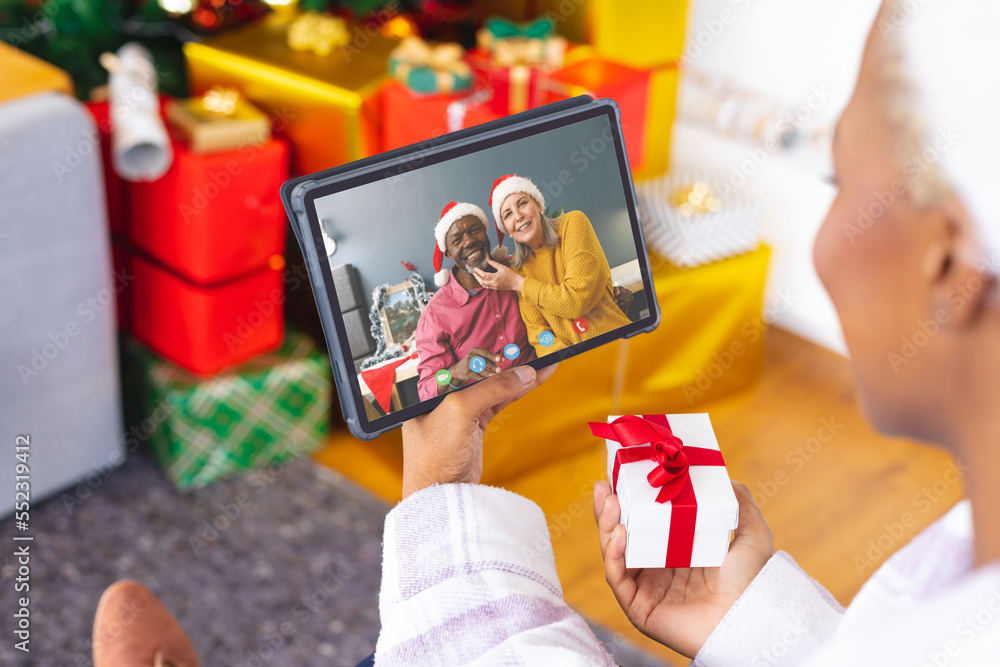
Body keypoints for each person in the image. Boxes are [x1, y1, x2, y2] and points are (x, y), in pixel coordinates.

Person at [375, 1, 1000, 664]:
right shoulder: (471, 287)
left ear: (949, 261)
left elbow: (565, 304)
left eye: (838, 178)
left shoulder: (563, 240)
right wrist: (753, 625)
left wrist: (438, 497)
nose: (509, 222)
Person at [472, 174, 632, 353]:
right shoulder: (518, 269)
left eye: (522, 203)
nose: (518, 216)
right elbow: (540, 337)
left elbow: (577, 301)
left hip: (620, 347)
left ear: (539, 205)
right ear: (506, 229)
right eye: (508, 214)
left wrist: (518, 283)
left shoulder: (573, 224)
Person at [414, 201, 535, 401]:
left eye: (475, 230)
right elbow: (426, 389)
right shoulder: (434, 315)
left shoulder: (516, 269)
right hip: (489, 409)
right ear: (448, 253)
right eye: (457, 240)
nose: (469, 241)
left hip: (536, 384)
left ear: (486, 233)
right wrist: (453, 373)